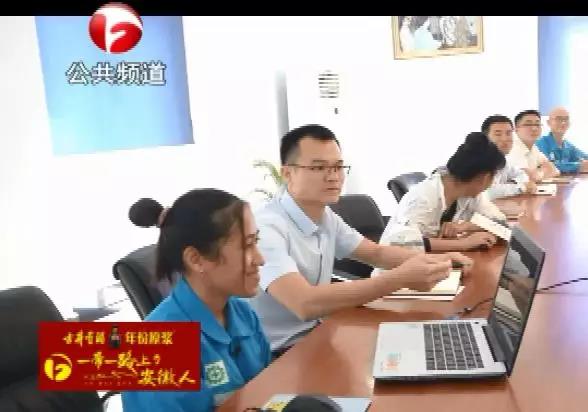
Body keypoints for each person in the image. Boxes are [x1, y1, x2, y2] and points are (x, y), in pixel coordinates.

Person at [248, 124, 471, 356]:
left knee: (416, 347)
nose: (333, 177)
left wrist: (442, 259)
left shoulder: (324, 215)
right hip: (278, 354)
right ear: (287, 173)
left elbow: (376, 253)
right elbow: (304, 303)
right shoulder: (265, 228)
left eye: (338, 167)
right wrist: (399, 279)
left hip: (321, 332)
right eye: (319, 167)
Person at [122, 189, 271, 411]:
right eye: (246, 246)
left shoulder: (243, 313)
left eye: (256, 242)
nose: (260, 259)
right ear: (196, 259)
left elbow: (269, 389)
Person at [379, 132, 507, 253]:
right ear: (484, 177)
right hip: (399, 265)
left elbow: (501, 222)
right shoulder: (424, 196)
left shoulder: (469, 193)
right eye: (494, 176)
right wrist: (463, 244)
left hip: (432, 260)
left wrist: (465, 226)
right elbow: (399, 243)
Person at [481, 114, 536, 199]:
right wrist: (521, 187)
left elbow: (523, 175)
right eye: (498, 134)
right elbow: (488, 192)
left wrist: (513, 183)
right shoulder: (480, 160)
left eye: (508, 133)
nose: (505, 139)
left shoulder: (501, 160)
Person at [507, 109, 560, 182]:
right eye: (528, 124)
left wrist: (537, 173)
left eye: (537, 124)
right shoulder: (513, 148)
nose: (534, 128)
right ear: (516, 129)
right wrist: (542, 171)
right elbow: (528, 178)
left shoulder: (534, 148)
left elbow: (555, 170)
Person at [535, 106, 588, 174]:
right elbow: (549, 167)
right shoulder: (540, 143)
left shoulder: (569, 146)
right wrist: (578, 166)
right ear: (548, 122)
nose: (563, 122)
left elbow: (585, 157)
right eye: (558, 119)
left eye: (566, 119)